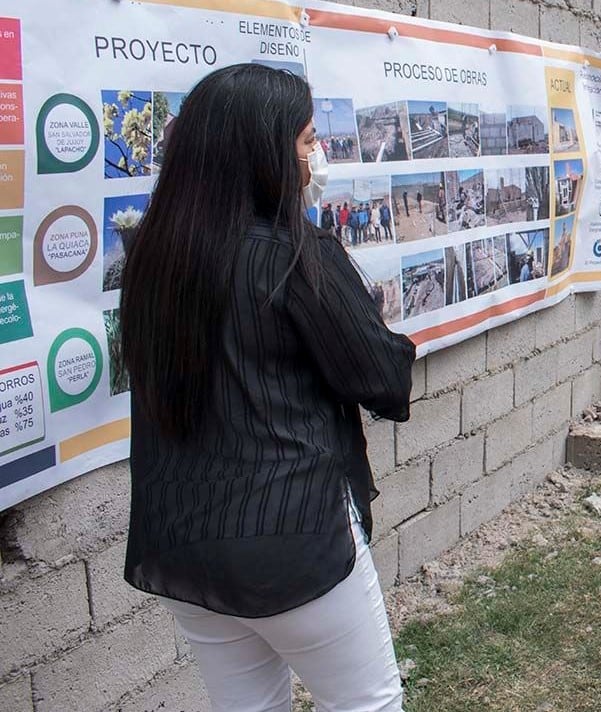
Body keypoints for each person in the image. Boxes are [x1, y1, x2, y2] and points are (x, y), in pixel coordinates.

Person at [119, 63, 415, 712]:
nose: (317, 156)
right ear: (263, 151)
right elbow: (384, 381)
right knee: (368, 704)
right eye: (308, 140)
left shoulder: (148, 258)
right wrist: (371, 316)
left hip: (184, 546)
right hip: (293, 537)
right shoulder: (295, 255)